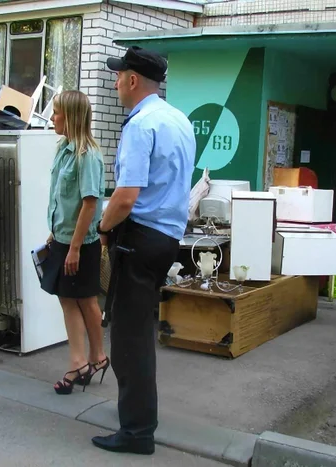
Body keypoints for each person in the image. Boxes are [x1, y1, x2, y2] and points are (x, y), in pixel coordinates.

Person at [91, 46, 195, 455]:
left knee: (130, 340)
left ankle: (136, 432)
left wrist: (102, 227)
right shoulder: (179, 120)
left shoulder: (140, 124)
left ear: (133, 80)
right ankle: (139, 419)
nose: (116, 82)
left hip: (138, 236)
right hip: (167, 237)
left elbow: (125, 197)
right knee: (140, 334)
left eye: (119, 76)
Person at [45, 90, 109, 395]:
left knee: (85, 300)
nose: (52, 117)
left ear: (71, 116)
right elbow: (62, 198)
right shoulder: (63, 148)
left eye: (57, 112)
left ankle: (86, 361)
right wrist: (55, 233)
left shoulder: (88, 155)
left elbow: (89, 203)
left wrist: (73, 248)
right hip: (63, 238)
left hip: (81, 243)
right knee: (68, 299)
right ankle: (88, 359)